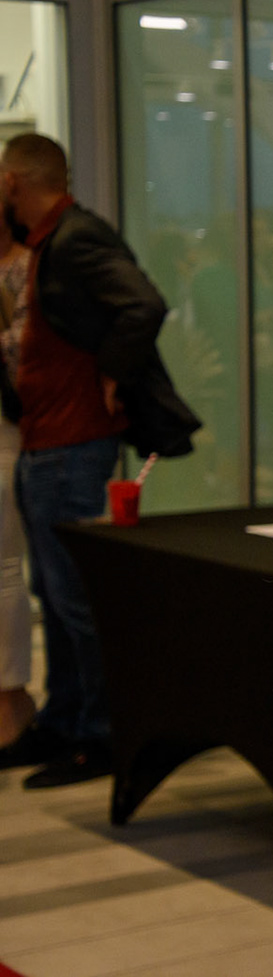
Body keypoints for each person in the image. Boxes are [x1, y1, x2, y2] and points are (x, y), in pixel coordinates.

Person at [0, 132, 196, 789]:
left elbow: (143, 304)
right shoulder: (48, 242)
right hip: (47, 439)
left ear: (15, 182)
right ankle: (64, 721)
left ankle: (100, 734)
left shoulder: (77, 237)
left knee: (74, 594)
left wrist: (111, 373)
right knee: (53, 592)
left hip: (73, 440)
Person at [0, 210, 32, 750]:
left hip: (10, 429)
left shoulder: (27, 267)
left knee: (5, 568)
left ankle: (10, 698)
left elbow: (26, 352)